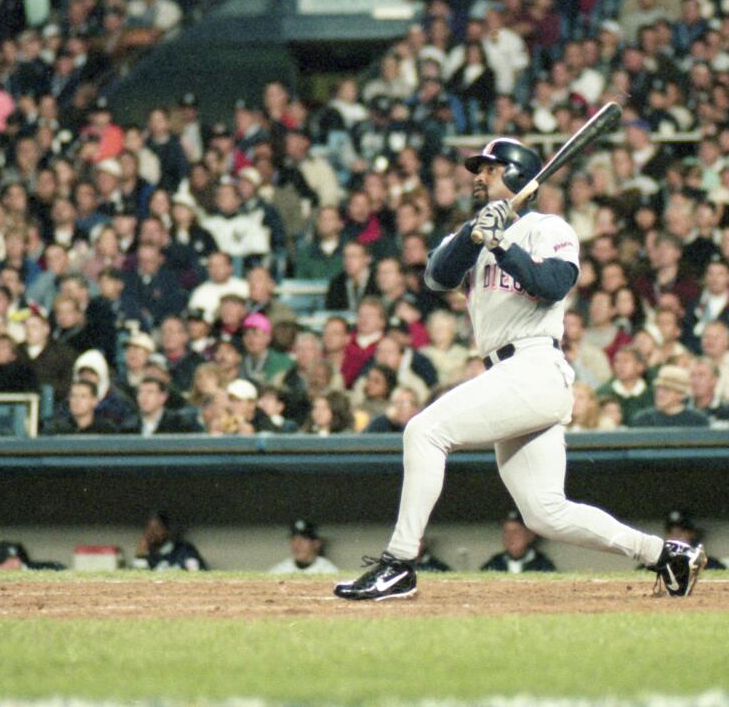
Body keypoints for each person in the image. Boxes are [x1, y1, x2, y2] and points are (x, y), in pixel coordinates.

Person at [335, 138, 704, 601]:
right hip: (506, 376)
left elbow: (552, 285)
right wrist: (476, 234)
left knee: (424, 432)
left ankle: (399, 564)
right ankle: (667, 555)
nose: (477, 177)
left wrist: (502, 240)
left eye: (488, 170)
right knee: (545, 513)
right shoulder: (473, 230)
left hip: (534, 366)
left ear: (515, 174)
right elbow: (435, 277)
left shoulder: (549, 227)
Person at [479, 509, 557, 573]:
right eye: (506, 532)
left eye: (516, 532)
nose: (510, 537)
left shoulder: (543, 566)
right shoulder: (493, 565)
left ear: (530, 535)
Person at [132, 511, 207, 571]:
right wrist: (140, 556)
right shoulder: (149, 556)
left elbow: (196, 572)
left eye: (157, 529)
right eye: (149, 529)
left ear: (168, 531)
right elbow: (138, 581)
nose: (152, 533)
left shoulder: (184, 550)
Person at [269, 519, 339, 574]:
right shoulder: (279, 571)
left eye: (303, 539)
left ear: (316, 543)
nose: (297, 545)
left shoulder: (329, 571)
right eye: (294, 539)